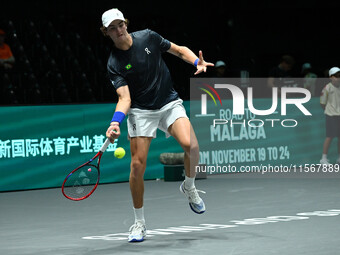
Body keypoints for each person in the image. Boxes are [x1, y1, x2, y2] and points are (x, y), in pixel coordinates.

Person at [101, 8, 214, 242]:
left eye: (120, 25)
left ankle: (189, 187)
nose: (118, 30)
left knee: (191, 147)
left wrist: (196, 61)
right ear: (106, 32)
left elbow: (179, 50)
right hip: (141, 112)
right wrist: (115, 122)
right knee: (136, 167)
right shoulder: (114, 63)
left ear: (126, 24)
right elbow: (125, 98)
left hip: (168, 102)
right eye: (112, 28)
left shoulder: (148, 37)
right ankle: (139, 223)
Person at [319, 67, 340, 165]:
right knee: (330, 136)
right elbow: (322, 103)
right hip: (331, 115)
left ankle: (339, 158)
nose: (338, 78)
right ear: (331, 77)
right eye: (336, 76)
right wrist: (329, 110)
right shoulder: (327, 88)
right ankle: (323, 159)